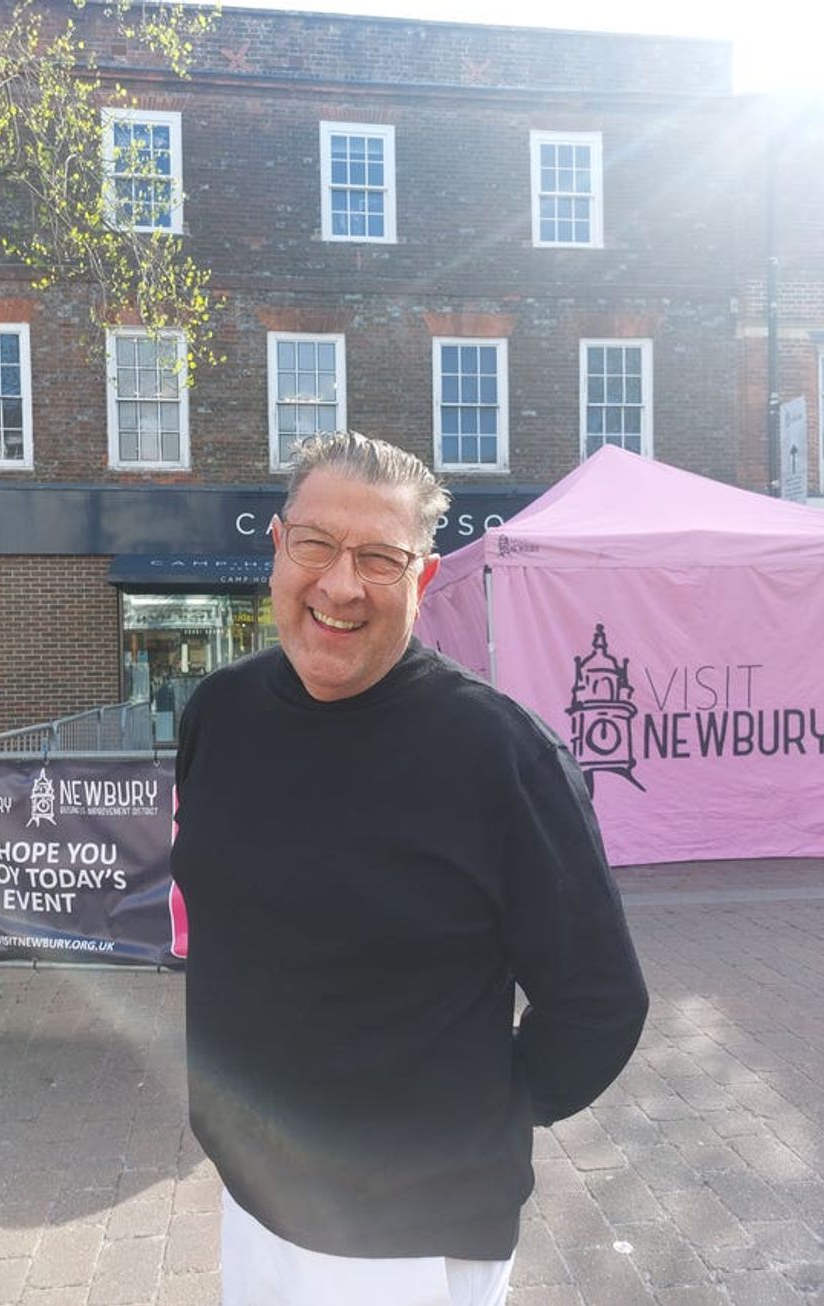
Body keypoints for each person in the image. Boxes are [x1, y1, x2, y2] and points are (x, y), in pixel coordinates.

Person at [170, 431, 648, 1306]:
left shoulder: (504, 757)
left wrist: (478, 1120)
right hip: (252, 1197)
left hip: (412, 1239)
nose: (340, 585)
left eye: (380, 560)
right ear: (278, 549)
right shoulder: (219, 714)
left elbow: (600, 1002)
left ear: (423, 581)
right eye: (316, 545)